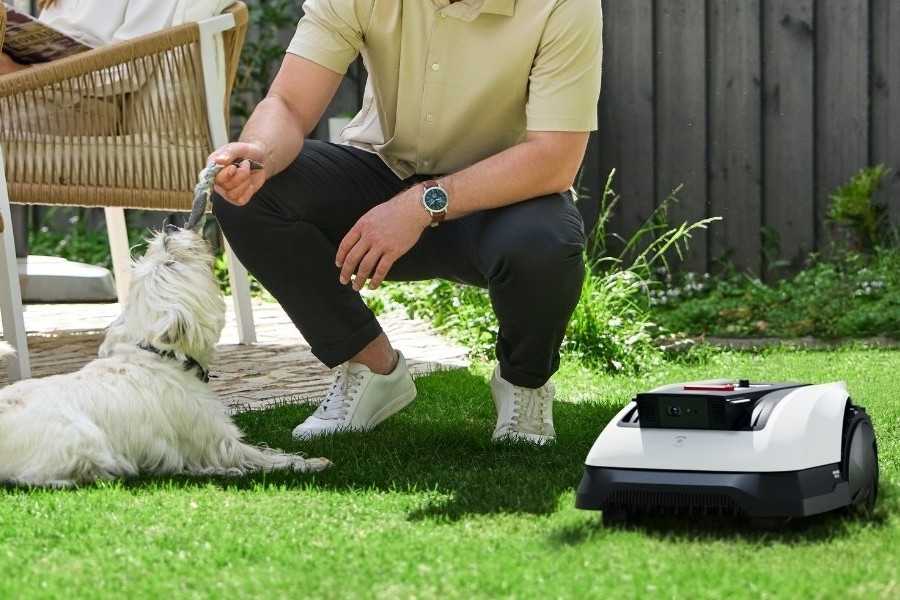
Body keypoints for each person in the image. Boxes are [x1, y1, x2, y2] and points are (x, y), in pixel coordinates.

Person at [209, 0, 603, 445]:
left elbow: (554, 160)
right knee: (253, 194)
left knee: (547, 244)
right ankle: (372, 367)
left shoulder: (564, 5)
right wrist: (259, 150)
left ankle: (523, 383)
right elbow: (288, 102)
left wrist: (420, 205)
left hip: (500, 200)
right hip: (382, 175)